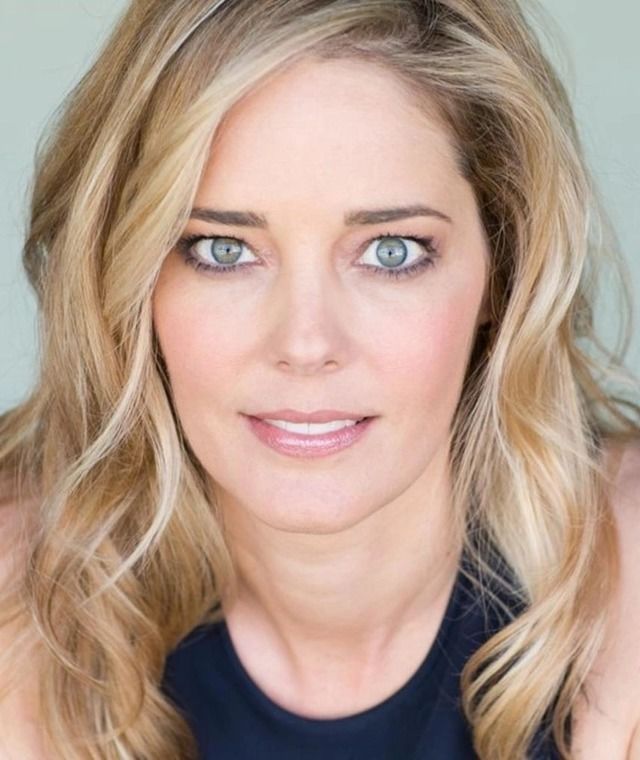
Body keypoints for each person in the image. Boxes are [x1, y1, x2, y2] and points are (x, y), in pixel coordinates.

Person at [0, 0, 639, 758]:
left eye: (392, 251)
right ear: (125, 276)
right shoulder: (20, 611)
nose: (305, 345)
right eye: (223, 250)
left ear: (503, 268)